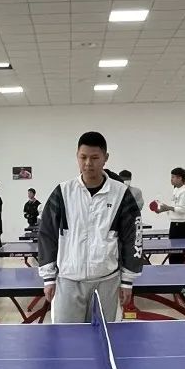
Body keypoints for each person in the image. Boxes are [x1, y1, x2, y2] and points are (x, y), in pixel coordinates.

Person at [38, 131, 142, 323]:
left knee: (105, 337)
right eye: (83, 157)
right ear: (77, 156)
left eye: (94, 158)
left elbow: (132, 237)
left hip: (107, 282)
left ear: (105, 158)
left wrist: (127, 281)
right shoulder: (63, 192)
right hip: (68, 281)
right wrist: (48, 277)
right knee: (68, 338)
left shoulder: (121, 194)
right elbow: (47, 235)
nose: (88, 163)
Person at [156, 167, 185, 264]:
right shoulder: (176, 189)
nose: (171, 179)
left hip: (181, 226)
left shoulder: (184, 191)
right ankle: (173, 269)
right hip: (174, 224)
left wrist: (168, 207)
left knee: (178, 252)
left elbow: (183, 209)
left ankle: (179, 269)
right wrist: (163, 210)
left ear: (180, 178)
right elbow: (174, 207)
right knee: (173, 251)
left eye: (173, 177)